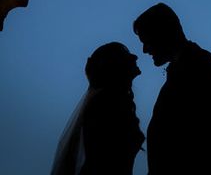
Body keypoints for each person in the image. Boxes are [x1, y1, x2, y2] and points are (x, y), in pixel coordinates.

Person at [133, 3, 211, 174]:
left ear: (163, 33)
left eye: (147, 41)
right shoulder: (188, 64)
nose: (145, 50)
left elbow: (195, 136)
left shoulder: (198, 64)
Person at [51, 42, 145, 175]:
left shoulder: (115, 100)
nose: (135, 57)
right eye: (125, 56)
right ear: (115, 67)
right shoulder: (107, 102)